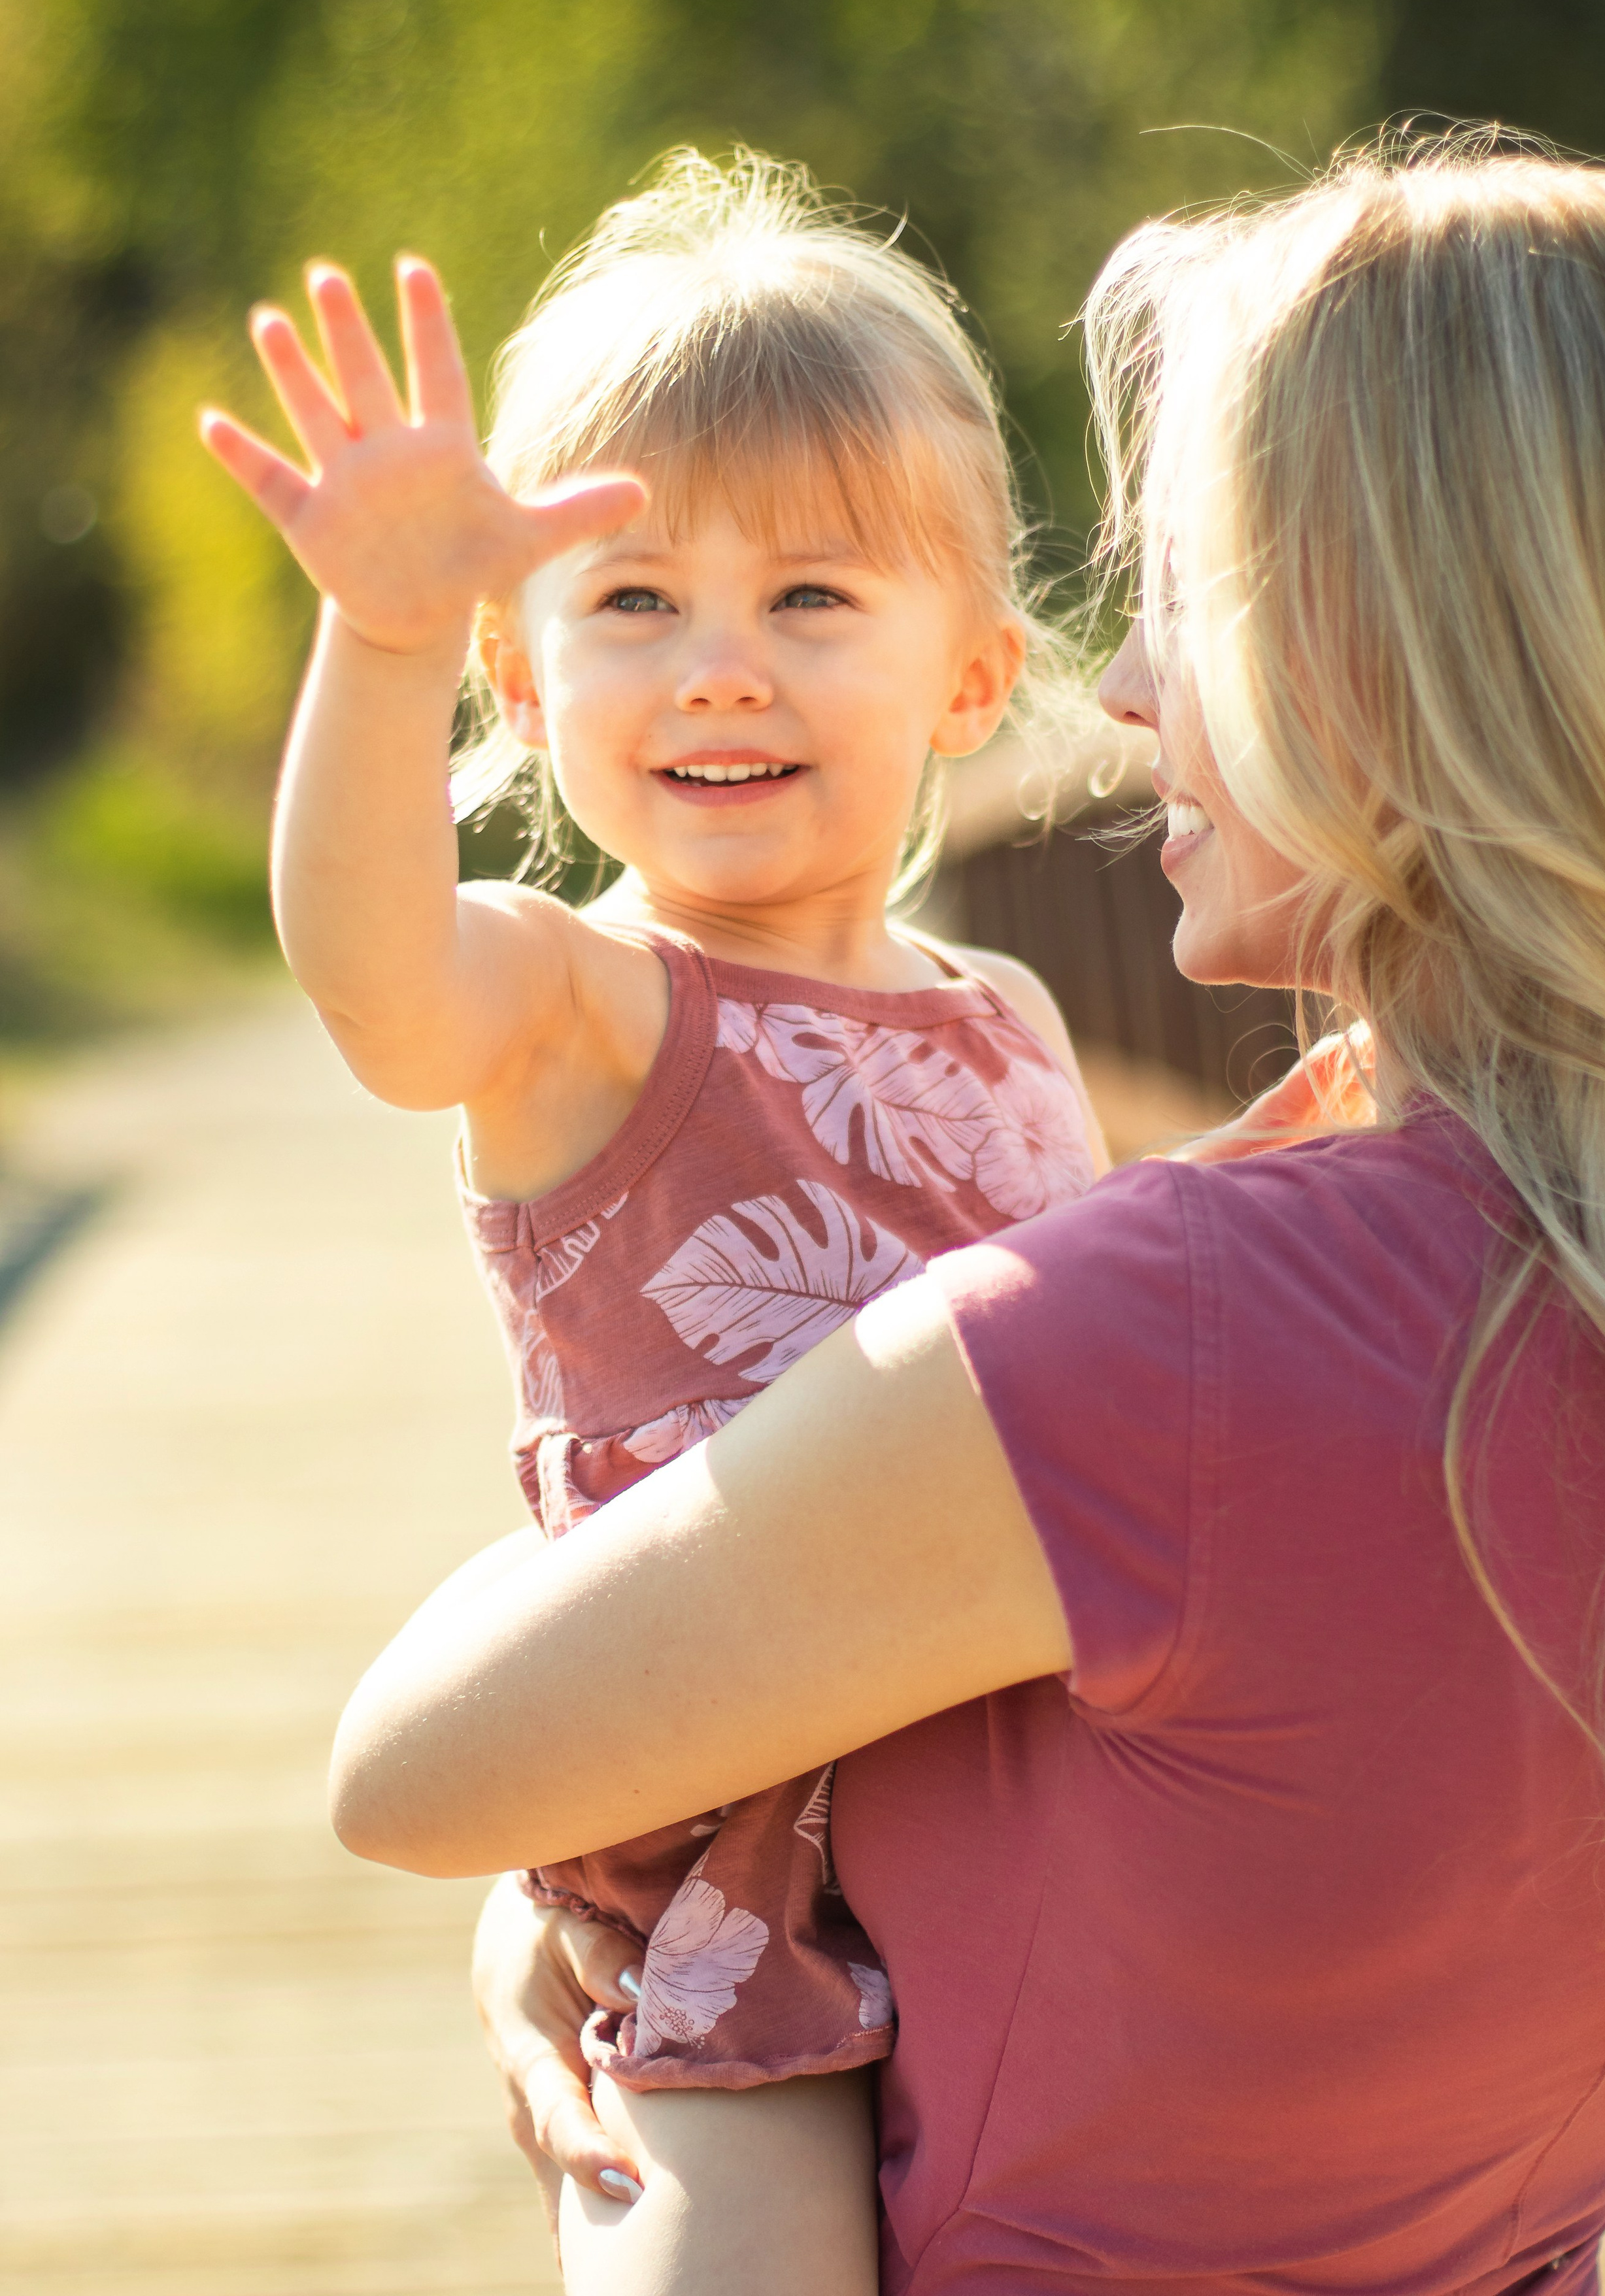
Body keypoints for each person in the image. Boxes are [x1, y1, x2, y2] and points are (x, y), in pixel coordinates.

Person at [324, 135, 1605, 2296]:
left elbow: (411, 1775)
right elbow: (390, 978)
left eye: (1197, 598)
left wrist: (627, 1708)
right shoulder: (1561, 1269)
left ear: (1423, 651)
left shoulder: (1165, 1322)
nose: (1122, 700)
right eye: (638, 600)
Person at [198, 151, 1109, 2296]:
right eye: (632, 603)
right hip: (733, 1874)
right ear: (523, 693)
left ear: (971, 682)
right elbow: (371, 972)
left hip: (1038, 1796)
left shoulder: (1016, 1010)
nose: (717, 668)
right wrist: (381, 634)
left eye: (811, 600)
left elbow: (1105, 1340)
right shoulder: (579, 1000)